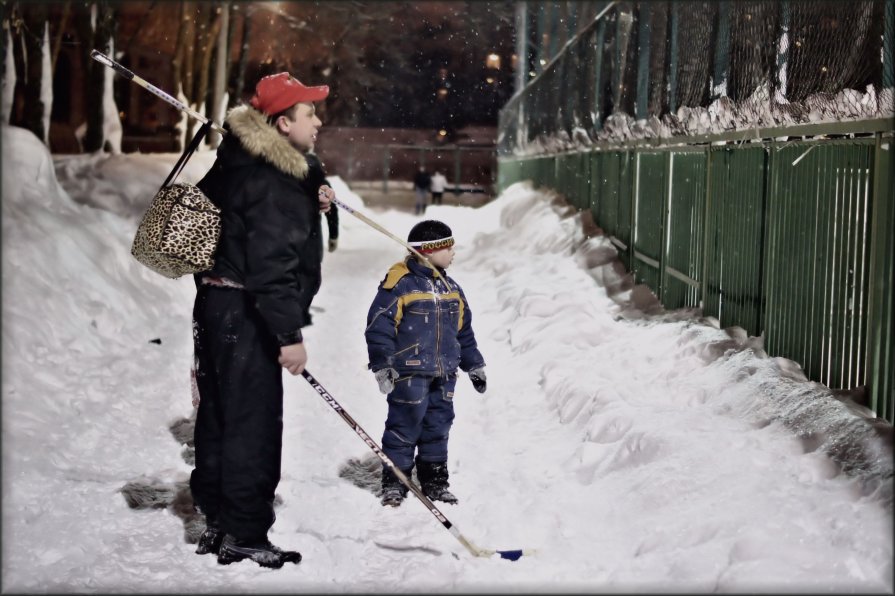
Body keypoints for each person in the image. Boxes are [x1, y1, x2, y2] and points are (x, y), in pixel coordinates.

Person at [189, 71, 335, 569]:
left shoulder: (235, 160)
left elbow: (222, 219)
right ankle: (246, 532)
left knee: (218, 416)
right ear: (279, 123)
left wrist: (313, 182)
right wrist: (288, 334)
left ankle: (219, 518)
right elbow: (272, 265)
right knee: (252, 425)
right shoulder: (273, 181)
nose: (317, 121)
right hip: (249, 310)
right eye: (308, 112)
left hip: (213, 304)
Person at [364, 220, 487, 507]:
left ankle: (435, 481)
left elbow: (464, 331)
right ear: (429, 252)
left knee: (438, 426)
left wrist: (474, 365)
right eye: (447, 246)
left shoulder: (451, 287)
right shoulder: (400, 284)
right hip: (409, 372)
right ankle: (395, 481)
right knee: (403, 426)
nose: (453, 251)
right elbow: (379, 326)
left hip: (445, 373)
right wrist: (383, 364)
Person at [304, 151, 339, 255]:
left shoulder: (322, 185)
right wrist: (334, 236)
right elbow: (332, 212)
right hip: (311, 238)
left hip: (310, 237)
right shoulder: (321, 182)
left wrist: (333, 235)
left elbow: (331, 210)